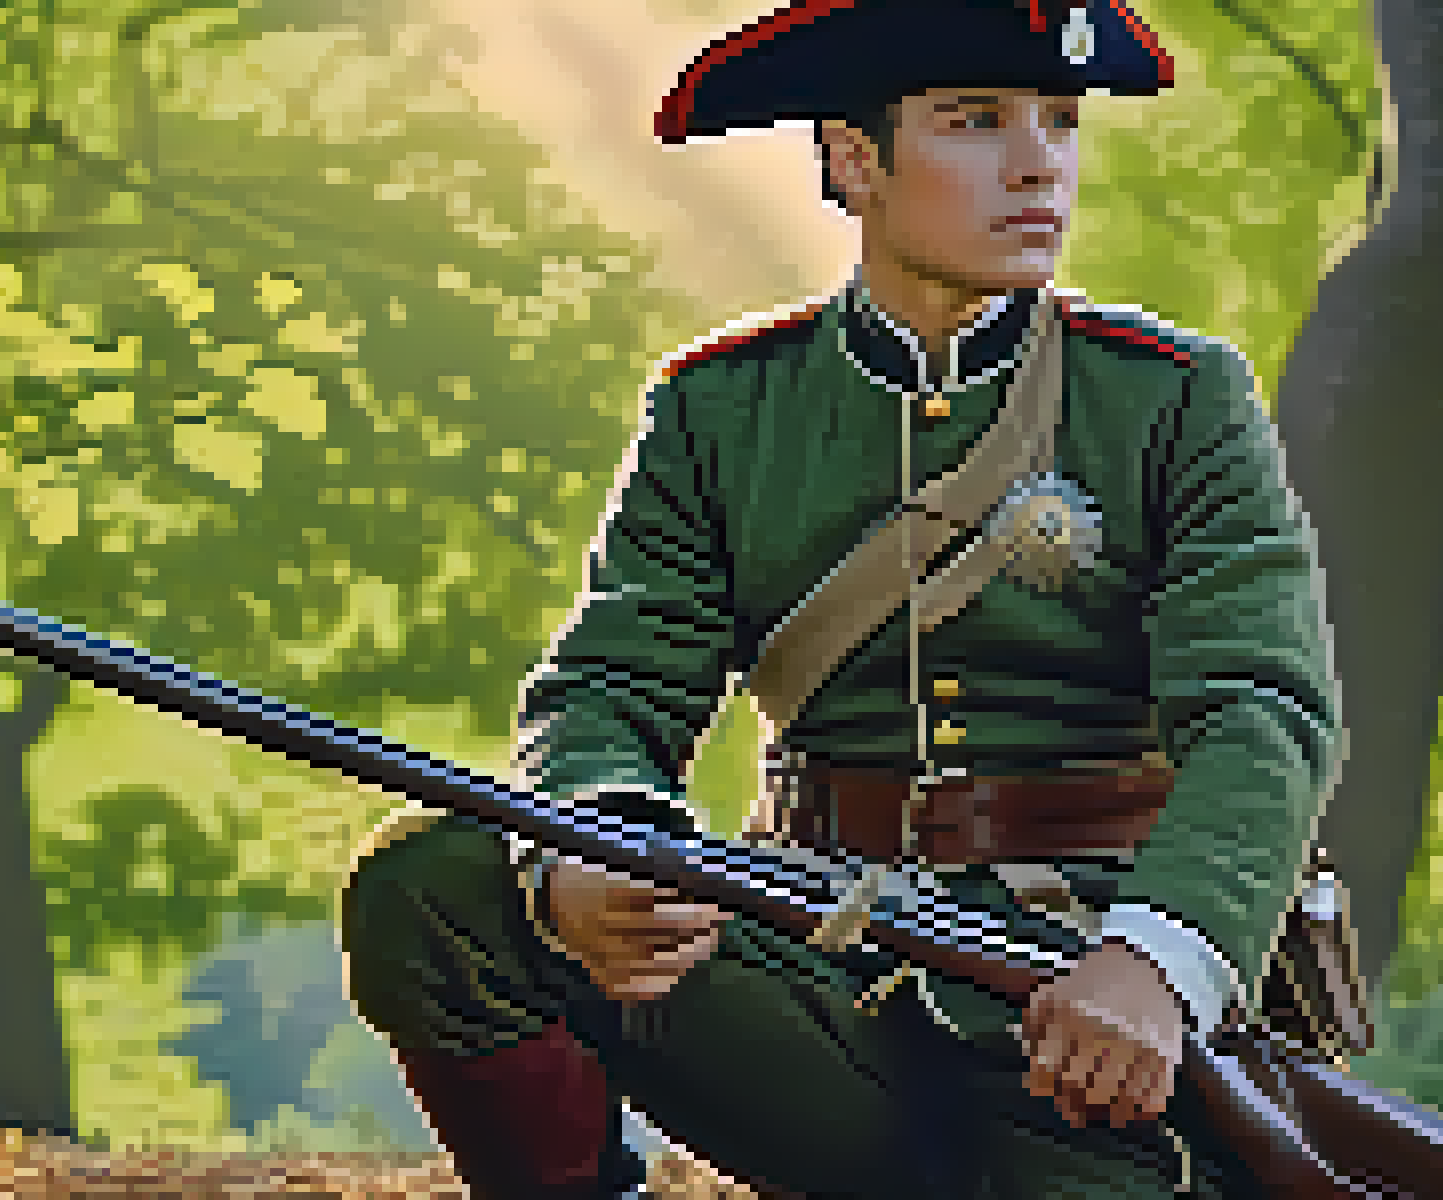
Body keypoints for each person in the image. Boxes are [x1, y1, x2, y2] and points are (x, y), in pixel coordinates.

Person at [338, 1, 1342, 1197]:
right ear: (855, 160)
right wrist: (597, 849)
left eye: (1060, 121)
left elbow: (1263, 714)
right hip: (806, 964)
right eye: (977, 121)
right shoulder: (720, 409)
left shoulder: (1174, 400)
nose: (1039, 164)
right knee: (438, 885)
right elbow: (612, 684)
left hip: (1075, 1010)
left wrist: (1157, 964)